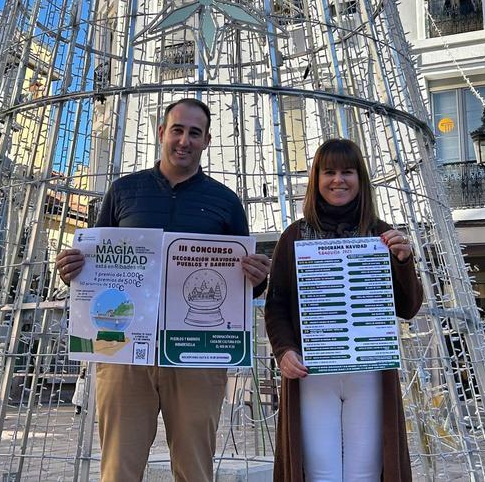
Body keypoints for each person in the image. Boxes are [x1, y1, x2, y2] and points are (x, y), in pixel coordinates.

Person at [55, 97, 271, 482]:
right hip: (122, 351)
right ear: (161, 133)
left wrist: (258, 276)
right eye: (177, 130)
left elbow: (243, 288)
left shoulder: (225, 202)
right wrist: (73, 269)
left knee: (194, 467)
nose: (184, 140)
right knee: (118, 467)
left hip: (196, 354)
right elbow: (95, 264)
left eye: (194, 133)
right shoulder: (124, 192)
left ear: (206, 141)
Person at [264, 138, 424, 482]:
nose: (338, 180)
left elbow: (409, 307)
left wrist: (404, 261)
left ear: (360, 178)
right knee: (318, 471)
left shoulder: (381, 234)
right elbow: (275, 303)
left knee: (365, 471)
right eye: (329, 172)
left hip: (367, 370)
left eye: (347, 171)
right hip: (312, 372)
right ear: (316, 180)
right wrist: (284, 350)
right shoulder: (295, 235)